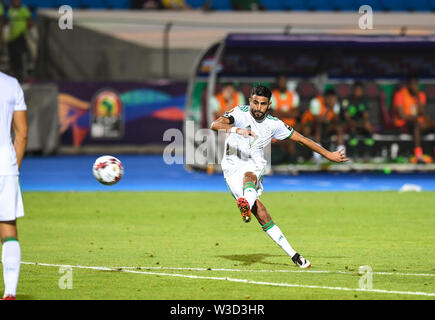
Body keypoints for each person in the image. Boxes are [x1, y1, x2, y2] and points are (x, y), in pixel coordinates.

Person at [210, 85, 348, 269]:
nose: (258, 107)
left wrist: (328, 154)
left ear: (269, 105)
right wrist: (237, 130)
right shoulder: (239, 112)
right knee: (261, 212)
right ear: (250, 101)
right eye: (256, 103)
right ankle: (248, 205)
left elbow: (302, 139)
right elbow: (214, 125)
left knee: (250, 177)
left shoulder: (274, 124)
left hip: (254, 164)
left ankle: (294, 255)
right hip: (231, 167)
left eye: (263, 104)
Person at [0, 71, 28, 300]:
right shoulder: (10, 84)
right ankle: (10, 292)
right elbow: (22, 133)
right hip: (4, 166)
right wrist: (13, 168)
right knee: (8, 229)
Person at [393, 76, 435, 163]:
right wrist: (416, 119)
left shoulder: (421, 95)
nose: (414, 86)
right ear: (408, 85)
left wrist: (417, 97)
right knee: (416, 125)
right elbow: (401, 115)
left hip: (419, 122)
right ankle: (418, 155)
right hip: (404, 124)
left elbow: (422, 112)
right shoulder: (400, 94)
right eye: (412, 84)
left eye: (416, 84)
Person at [301, 88, 344, 161]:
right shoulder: (316, 102)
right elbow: (317, 119)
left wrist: (332, 108)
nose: (331, 100)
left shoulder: (335, 104)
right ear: (325, 97)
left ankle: (342, 155)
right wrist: (328, 109)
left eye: (332, 98)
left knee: (339, 128)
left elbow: (336, 121)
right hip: (310, 124)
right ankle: (317, 157)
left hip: (326, 125)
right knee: (319, 126)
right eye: (329, 98)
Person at [270, 75, 300, 163]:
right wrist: (289, 113)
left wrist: (281, 113)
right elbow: (274, 114)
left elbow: (296, 113)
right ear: (277, 83)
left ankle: (293, 162)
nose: (282, 83)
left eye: (284, 81)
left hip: (292, 125)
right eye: (280, 81)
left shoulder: (293, 95)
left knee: (295, 137)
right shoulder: (273, 95)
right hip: (278, 126)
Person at [341, 81, 374, 159]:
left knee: (368, 126)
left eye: (360, 90)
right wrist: (356, 124)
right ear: (353, 90)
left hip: (360, 123)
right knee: (352, 127)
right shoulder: (347, 101)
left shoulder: (364, 100)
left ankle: (367, 153)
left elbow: (366, 116)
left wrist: (363, 124)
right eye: (357, 90)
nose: (359, 92)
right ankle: (354, 153)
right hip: (349, 123)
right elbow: (347, 117)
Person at [6, 0, 32, 81]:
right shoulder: (10, 11)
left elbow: (30, 22)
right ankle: (14, 75)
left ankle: (23, 76)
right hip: (11, 38)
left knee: (21, 56)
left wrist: (24, 30)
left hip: (20, 37)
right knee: (13, 57)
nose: (16, 2)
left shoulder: (24, 10)